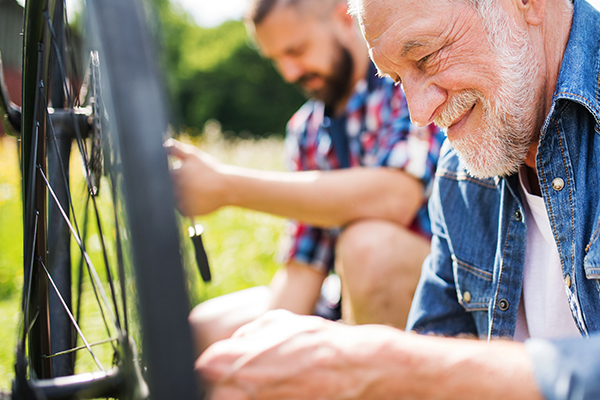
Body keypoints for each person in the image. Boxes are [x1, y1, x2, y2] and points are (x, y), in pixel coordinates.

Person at [196, 0, 600, 399]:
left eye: (426, 56)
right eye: (395, 79)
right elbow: (432, 333)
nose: (420, 114)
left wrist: (387, 364)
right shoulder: (458, 168)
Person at [167, 0, 444, 352]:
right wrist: (255, 357)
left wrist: (226, 186)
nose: (289, 72)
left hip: (435, 295)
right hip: (342, 295)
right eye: (276, 59)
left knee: (368, 248)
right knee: (204, 329)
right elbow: (304, 267)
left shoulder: (403, 88)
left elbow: (395, 196)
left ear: (344, 16)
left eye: (296, 50)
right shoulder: (306, 129)